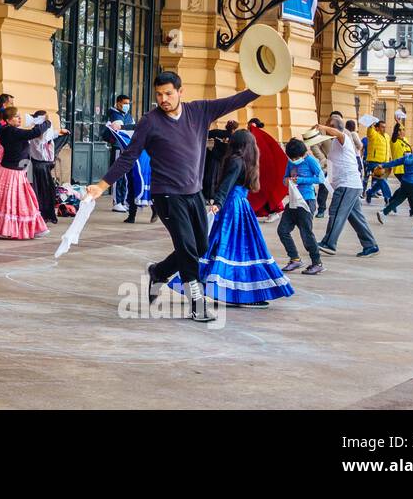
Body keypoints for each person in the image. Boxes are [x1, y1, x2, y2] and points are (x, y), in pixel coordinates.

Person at [85, 71, 259, 323]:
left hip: (194, 192)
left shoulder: (200, 111)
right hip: (166, 194)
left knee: (199, 246)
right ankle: (197, 303)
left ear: (180, 91)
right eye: (159, 94)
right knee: (188, 249)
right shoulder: (150, 121)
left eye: (168, 93)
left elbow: (237, 100)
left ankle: (159, 271)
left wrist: (265, 83)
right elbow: (129, 156)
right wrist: (102, 186)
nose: (163, 99)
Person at [168, 129, 294, 308]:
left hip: (232, 206)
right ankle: (237, 293)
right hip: (240, 205)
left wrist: (218, 202)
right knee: (238, 249)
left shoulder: (235, 160)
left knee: (224, 246)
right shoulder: (249, 161)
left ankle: (223, 290)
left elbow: (226, 185)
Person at [0, 107, 51, 239]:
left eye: (19, 116)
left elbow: (31, 133)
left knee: (10, 201)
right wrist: (47, 123)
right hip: (11, 172)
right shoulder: (11, 131)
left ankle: (1, 227)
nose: (19, 118)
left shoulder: (6, 130)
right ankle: (6, 229)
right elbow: (33, 132)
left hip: (13, 170)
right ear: (8, 120)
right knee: (11, 202)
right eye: (16, 117)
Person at [316, 115, 380, 258]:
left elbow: (339, 133)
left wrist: (323, 127)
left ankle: (329, 243)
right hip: (350, 185)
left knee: (336, 212)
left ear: (333, 127)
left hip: (347, 184)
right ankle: (371, 245)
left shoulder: (344, 138)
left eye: (328, 125)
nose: (325, 127)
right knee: (356, 217)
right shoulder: (334, 142)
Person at [277, 137, 324, 275]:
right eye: (292, 157)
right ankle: (295, 258)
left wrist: (302, 180)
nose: (294, 160)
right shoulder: (290, 162)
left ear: (303, 154)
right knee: (283, 230)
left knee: (306, 234)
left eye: (297, 157)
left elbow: (320, 178)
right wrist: (287, 180)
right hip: (293, 201)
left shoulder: (310, 161)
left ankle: (317, 263)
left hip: (306, 201)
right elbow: (284, 178)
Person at [25, 111, 71, 225]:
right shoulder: (39, 133)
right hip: (39, 166)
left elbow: (51, 135)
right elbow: (44, 138)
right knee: (42, 192)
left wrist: (59, 131)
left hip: (42, 165)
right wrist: (49, 124)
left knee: (44, 191)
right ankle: (40, 214)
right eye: (46, 118)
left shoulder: (42, 132)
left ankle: (42, 214)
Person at [106, 119, 155, 224]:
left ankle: (155, 210)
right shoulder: (141, 126)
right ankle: (132, 215)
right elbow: (134, 127)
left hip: (145, 161)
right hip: (132, 160)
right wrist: (119, 127)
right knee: (132, 186)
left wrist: (121, 127)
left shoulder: (153, 126)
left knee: (147, 186)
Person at [375, 143, 413, 229]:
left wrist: (383, 165)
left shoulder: (407, 157)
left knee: (398, 200)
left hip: (405, 182)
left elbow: (395, 162)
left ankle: (383, 213)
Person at [247, 119, 288, 221]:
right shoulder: (260, 137)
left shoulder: (261, 138)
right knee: (261, 192)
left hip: (264, 170)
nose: (248, 129)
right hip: (258, 170)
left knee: (268, 191)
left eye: (249, 127)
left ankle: (275, 210)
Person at [104, 94, 135, 212]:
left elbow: (131, 128)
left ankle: (124, 201)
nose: (127, 106)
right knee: (118, 175)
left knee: (126, 176)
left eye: (128, 103)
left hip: (127, 148)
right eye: (124, 103)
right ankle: (117, 202)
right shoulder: (114, 114)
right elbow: (119, 129)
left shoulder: (127, 115)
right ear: (118, 103)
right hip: (118, 147)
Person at [389, 121, 413, 216]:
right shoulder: (394, 141)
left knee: (404, 188)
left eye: (403, 130)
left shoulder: (405, 140)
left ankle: (392, 201)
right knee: (410, 189)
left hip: (408, 169)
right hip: (400, 169)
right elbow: (394, 135)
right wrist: (397, 124)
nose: (401, 132)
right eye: (399, 130)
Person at [364, 119, 393, 205]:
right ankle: (388, 198)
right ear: (376, 128)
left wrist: (389, 160)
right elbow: (369, 132)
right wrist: (370, 125)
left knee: (381, 182)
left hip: (385, 162)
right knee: (382, 180)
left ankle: (369, 193)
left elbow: (388, 149)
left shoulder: (387, 136)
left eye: (385, 127)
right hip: (374, 162)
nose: (384, 129)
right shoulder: (373, 134)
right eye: (382, 127)